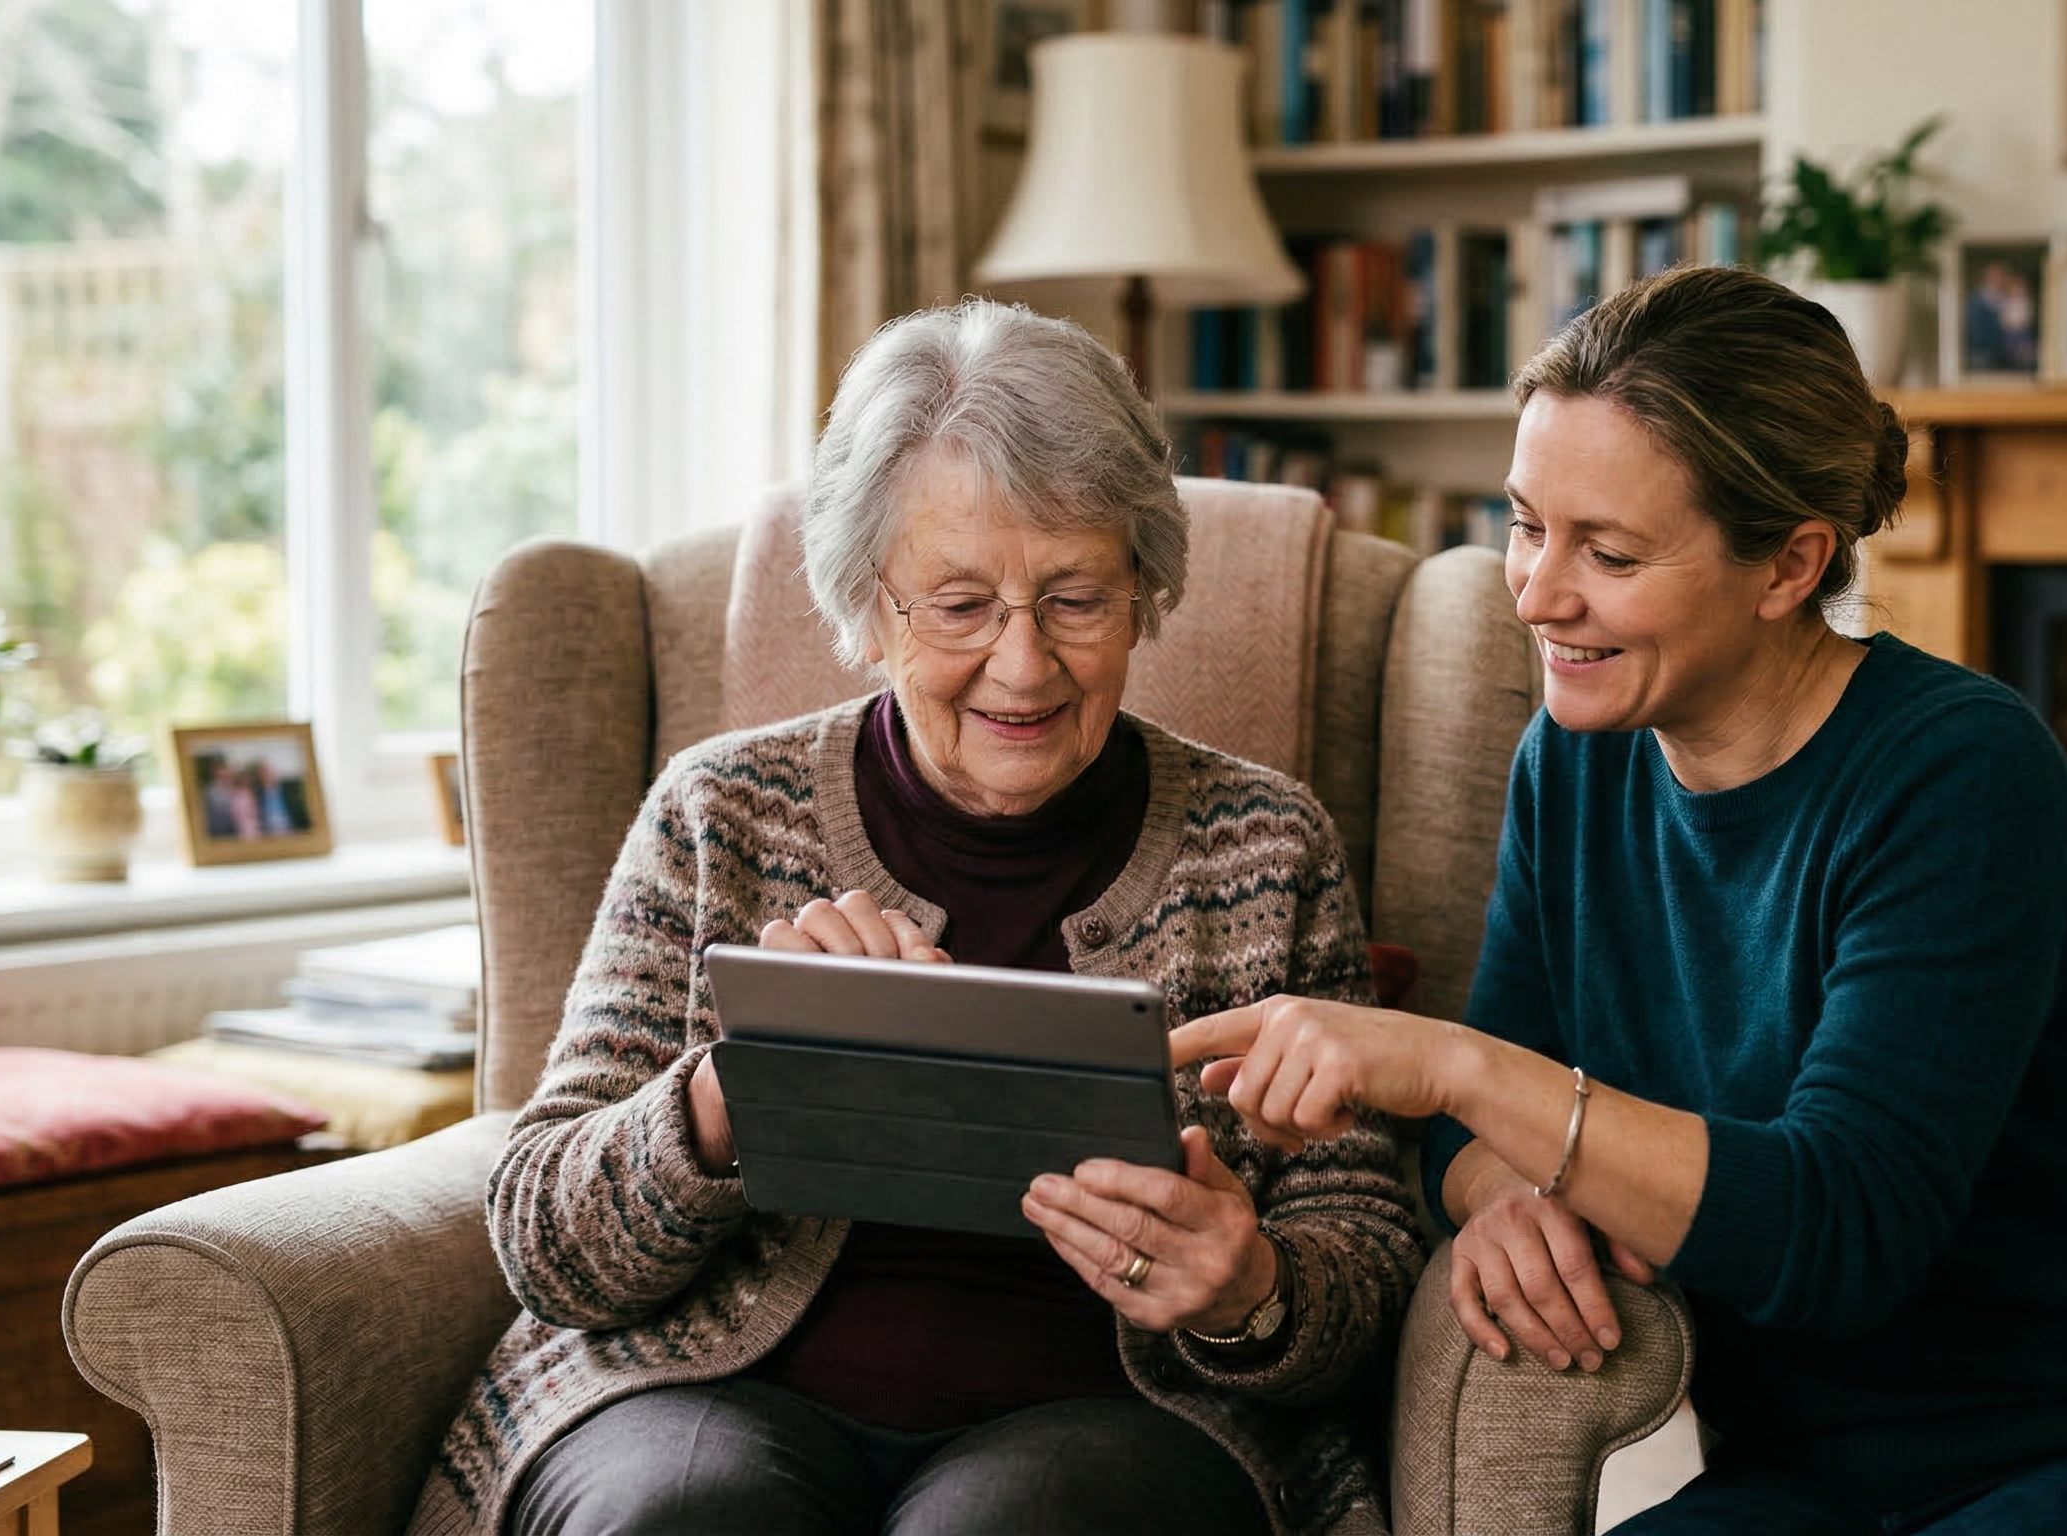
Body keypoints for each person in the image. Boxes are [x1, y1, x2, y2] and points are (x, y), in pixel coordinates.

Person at [1172, 265, 2067, 1536]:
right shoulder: (1575, 760)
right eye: (1526, 524)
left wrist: (1460, 1070)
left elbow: (1838, 1232)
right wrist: (1502, 1200)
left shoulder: (1963, 776)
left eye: (1610, 552)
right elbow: (1478, 1144)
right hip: (1821, 1479)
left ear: (1791, 563)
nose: (1537, 592)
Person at [407, 299, 1422, 1536]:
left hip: (1108, 1422)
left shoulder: (1262, 846)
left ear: (1145, 589)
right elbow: (541, 1241)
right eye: (959, 605)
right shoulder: (721, 813)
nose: (1023, 665)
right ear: (868, 603)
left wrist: (1250, 1290)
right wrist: (731, 1096)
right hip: (706, 1395)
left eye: (1076, 599)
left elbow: (1368, 1254)